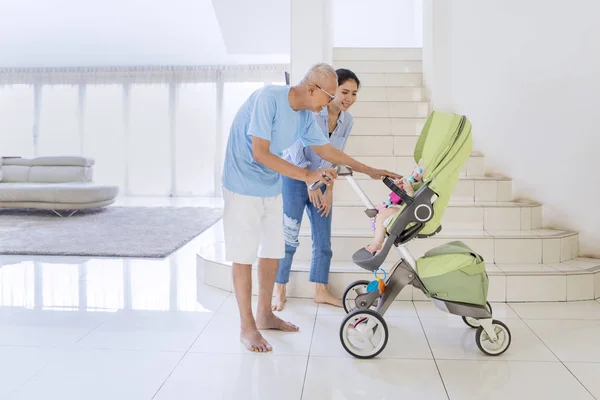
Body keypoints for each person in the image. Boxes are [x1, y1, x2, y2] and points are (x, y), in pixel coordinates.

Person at [220, 63, 401, 353]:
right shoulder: (269, 98)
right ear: (313, 88)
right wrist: (307, 175)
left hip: (271, 184)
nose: (332, 103)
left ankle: (265, 314)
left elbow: (326, 150)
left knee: (272, 250)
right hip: (241, 183)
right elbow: (260, 152)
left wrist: (369, 170)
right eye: (330, 96)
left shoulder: (306, 116)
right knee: (243, 254)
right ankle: (247, 327)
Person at [273, 68, 361, 311]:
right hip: (294, 176)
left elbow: (335, 156)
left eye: (354, 94)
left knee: (323, 240)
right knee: (289, 237)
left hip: (322, 181)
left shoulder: (348, 120)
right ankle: (279, 289)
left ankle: (320, 290)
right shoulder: (313, 111)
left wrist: (328, 188)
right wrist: (308, 180)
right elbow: (294, 147)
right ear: (332, 91)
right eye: (344, 92)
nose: (349, 98)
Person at [365, 166, 424, 255]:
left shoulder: (422, 188)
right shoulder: (411, 184)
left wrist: (410, 192)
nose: (414, 174)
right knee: (377, 217)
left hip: (407, 209)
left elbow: (415, 202)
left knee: (381, 216)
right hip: (399, 207)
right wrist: (399, 187)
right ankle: (377, 239)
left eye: (418, 175)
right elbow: (398, 198)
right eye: (413, 172)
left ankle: (378, 242)